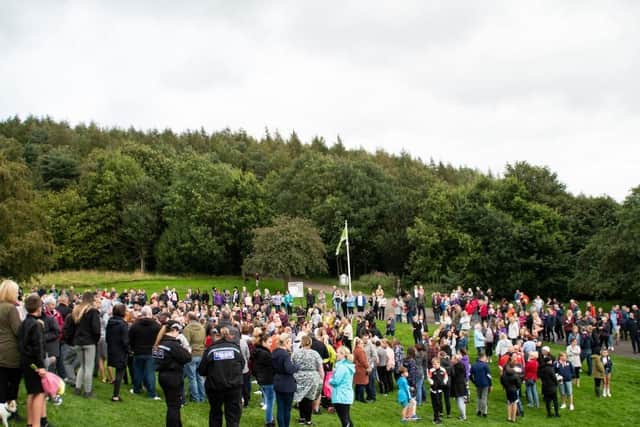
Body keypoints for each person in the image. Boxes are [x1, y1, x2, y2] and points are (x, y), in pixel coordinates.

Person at [18, 293, 53, 427]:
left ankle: (30, 423)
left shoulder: (24, 323)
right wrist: (41, 366)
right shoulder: (36, 325)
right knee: (39, 393)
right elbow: (38, 347)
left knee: (31, 393)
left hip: (25, 361)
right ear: (39, 307)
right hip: (35, 363)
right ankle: (37, 424)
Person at [199, 327, 244, 427]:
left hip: (215, 387)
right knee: (233, 416)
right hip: (234, 387)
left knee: (215, 414)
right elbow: (242, 365)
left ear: (216, 335)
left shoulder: (210, 349)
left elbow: (202, 370)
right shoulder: (235, 348)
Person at [154, 320, 192, 427]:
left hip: (163, 376)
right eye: (178, 331)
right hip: (173, 377)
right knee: (174, 407)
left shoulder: (160, 343)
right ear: (174, 329)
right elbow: (187, 357)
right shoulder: (173, 344)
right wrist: (187, 348)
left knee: (172, 404)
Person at [0, 280, 22, 422]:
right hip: (11, 351)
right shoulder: (11, 308)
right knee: (12, 384)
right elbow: (18, 331)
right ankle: (10, 409)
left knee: (1, 383)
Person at [71, 291, 101, 398]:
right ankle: (88, 391)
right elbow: (96, 330)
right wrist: (95, 340)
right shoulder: (92, 311)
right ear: (92, 300)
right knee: (89, 367)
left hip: (78, 341)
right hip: (89, 342)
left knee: (82, 366)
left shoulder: (76, 310)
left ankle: (78, 388)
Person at [129, 306, 162, 400]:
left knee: (138, 371)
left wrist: (132, 348)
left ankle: (136, 389)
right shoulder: (156, 325)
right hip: (151, 352)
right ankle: (152, 393)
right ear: (150, 314)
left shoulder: (135, 325)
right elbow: (160, 338)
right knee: (150, 373)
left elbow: (130, 339)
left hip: (138, 351)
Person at [292, 335, 323, 426]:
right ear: (310, 343)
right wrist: (321, 378)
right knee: (309, 399)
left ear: (302, 343)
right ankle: (308, 420)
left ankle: (301, 418)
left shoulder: (296, 353)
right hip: (312, 377)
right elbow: (320, 368)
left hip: (299, 377)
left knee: (301, 398)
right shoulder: (315, 353)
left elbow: (292, 364)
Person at [272, 333, 298, 427]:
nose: (291, 344)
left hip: (278, 381)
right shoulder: (285, 354)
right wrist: (296, 366)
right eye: (290, 342)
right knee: (286, 409)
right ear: (286, 342)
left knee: (280, 408)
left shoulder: (274, 352)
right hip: (287, 384)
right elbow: (289, 369)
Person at [106, 303, 129, 402]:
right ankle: (115, 395)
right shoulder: (123, 324)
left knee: (119, 371)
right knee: (120, 372)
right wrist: (129, 349)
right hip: (120, 350)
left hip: (111, 349)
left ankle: (117, 393)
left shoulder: (110, 322)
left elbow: (107, 337)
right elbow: (125, 340)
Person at [183, 312, 206, 403]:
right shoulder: (202, 327)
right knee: (199, 377)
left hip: (192, 354)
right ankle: (202, 397)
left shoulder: (187, 328)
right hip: (201, 353)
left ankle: (195, 398)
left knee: (192, 377)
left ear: (188, 318)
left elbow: (185, 343)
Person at [253, 333, 275, 427]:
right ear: (263, 342)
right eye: (269, 342)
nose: (271, 344)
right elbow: (273, 366)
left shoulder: (258, 351)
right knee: (270, 402)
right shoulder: (265, 353)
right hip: (268, 380)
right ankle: (269, 421)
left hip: (262, 379)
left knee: (268, 400)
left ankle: (270, 418)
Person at [330, 345, 355, 427]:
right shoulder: (347, 365)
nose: (336, 354)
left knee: (344, 419)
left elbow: (336, 381)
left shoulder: (342, 367)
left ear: (343, 355)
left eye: (338, 353)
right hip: (345, 395)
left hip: (341, 396)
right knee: (346, 418)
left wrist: (330, 380)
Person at [502, 354, 523, 423]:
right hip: (514, 389)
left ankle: (509, 417)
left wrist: (505, 387)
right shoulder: (515, 375)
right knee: (514, 403)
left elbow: (502, 380)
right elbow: (519, 384)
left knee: (509, 403)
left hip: (507, 389)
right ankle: (513, 418)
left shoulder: (504, 375)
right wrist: (517, 387)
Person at [428, 357, 448, 424]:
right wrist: (432, 382)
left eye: (436, 364)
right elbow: (429, 378)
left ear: (439, 363)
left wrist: (444, 382)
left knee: (439, 403)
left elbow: (446, 377)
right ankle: (436, 418)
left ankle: (437, 416)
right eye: (433, 364)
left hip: (440, 390)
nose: (434, 366)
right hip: (433, 390)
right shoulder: (431, 370)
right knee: (435, 404)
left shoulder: (443, 370)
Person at [353, 337, 369, 403]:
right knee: (362, 384)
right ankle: (362, 398)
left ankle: (357, 397)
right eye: (362, 343)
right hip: (361, 369)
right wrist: (367, 367)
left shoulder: (355, 350)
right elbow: (363, 361)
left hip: (357, 368)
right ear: (358, 344)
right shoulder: (360, 351)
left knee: (358, 384)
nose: (363, 344)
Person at [451, 354, 467, 420]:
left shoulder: (456, 366)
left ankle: (463, 416)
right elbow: (465, 375)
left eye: (452, 359)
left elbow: (453, 375)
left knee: (460, 401)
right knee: (461, 401)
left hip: (458, 385)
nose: (451, 360)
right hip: (462, 384)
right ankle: (463, 415)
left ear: (456, 360)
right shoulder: (462, 365)